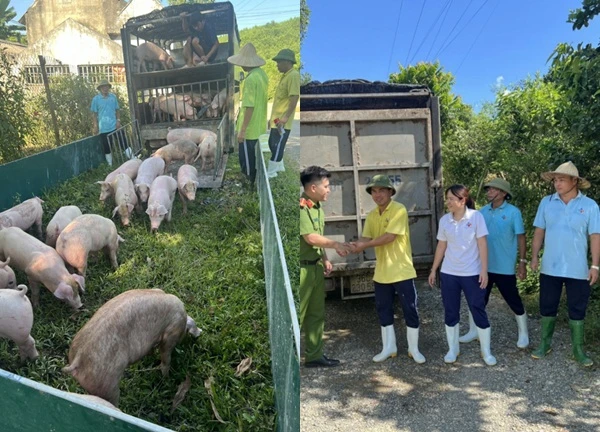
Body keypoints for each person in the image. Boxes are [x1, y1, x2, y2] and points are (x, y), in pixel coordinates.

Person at [348, 175, 425, 364]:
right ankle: (389, 348)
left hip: (401, 271)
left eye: (381, 190)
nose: (377, 195)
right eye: (374, 191)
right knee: (383, 310)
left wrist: (362, 246)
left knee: (410, 309)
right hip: (382, 272)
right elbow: (366, 238)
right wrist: (352, 245)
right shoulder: (373, 215)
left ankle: (413, 349)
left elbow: (389, 237)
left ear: (390, 192)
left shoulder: (399, 210)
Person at [530, 161, 600, 367]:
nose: (557, 184)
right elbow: (539, 232)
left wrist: (595, 265)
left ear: (575, 181)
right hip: (550, 266)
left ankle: (578, 349)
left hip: (577, 268)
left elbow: (595, 236)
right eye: (555, 180)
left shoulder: (590, 206)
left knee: (577, 308)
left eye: (561, 179)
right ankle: (545, 343)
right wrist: (534, 256)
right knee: (547, 305)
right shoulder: (547, 202)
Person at [428, 184, 496, 366]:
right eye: (447, 198)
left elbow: (482, 244)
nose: (448, 202)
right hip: (449, 273)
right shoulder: (444, 220)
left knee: (477, 308)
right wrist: (434, 269)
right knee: (451, 311)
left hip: (472, 273)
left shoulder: (476, 217)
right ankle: (452, 349)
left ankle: (486, 351)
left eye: (451, 199)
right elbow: (441, 246)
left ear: (462, 200)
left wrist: (484, 270)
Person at [459, 178, 529, 349]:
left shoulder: (513, 212)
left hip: (504, 266)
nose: (489, 192)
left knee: (513, 299)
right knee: (477, 299)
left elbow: (521, 237)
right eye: (488, 189)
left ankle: (524, 333)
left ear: (503, 193)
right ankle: (474, 331)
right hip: (483, 266)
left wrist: (522, 262)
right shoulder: (482, 212)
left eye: (493, 189)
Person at [300, 166, 349, 368]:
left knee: (316, 314)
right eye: (326, 186)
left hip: (316, 267)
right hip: (302, 270)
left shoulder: (317, 206)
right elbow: (310, 237)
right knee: (299, 315)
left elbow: (317, 237)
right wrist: (336, 244)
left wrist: (326, 258)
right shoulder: (301, 208)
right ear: (313, 187)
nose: (329, 190)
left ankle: (314, 356)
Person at [227, 43, 268, 187]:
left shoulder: (251, 79)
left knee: (246, 158)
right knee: (253, 156)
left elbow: (249, 106)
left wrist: (242, 131)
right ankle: (251, 180)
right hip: (258, 125)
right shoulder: (262, 75)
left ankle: (249, 182)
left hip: (249, 129)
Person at [266, 49, 300, 178]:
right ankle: (279, 167)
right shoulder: (285, 76)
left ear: (287, 62)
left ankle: (271, 172)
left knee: (278, 145)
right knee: (272, 143)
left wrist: (285, 117)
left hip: (282, 121)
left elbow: (294, 97)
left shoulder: (293, 76)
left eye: (279, 62)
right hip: (276, 120)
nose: (277, 65)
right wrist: (271, 119)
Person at [91, 79, 132, 166]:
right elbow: (94, 114)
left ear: (108, 87)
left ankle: (133, 158)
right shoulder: (96, 99)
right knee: (107, 147)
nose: (105, 88)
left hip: (115, 125)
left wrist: (118, 121)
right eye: (103, 87)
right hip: (104, 128)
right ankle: (110, 165)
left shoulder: (113, 97)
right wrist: (95, 126)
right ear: (100, 88)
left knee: (123, 142)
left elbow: (117, 110)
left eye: (106, 86)